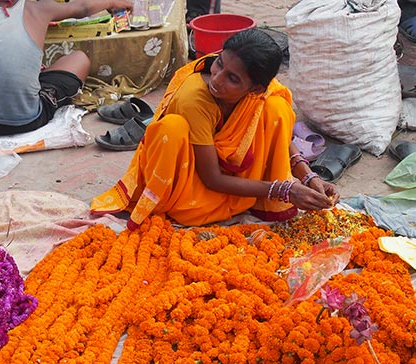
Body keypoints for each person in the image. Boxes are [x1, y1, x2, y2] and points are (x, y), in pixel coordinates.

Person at [91, 28, 340, 230]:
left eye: (233, 78)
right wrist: (283, 190)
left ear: (255, 88)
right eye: (219, 64)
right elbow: (212, 178)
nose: (218, 80)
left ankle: (256, 199)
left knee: (277, 107)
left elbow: (276, 131)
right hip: (191, 182)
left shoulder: (261, 91)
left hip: (233, 175)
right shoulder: (196, 99)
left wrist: (306, 174)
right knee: (173, 127)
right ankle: (211, 203)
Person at [0, 0, 133, 136]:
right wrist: (111, 2)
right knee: (79, 58)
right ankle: (29, 82)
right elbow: (82, 7)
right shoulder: (40, 9)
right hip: (27, 119)